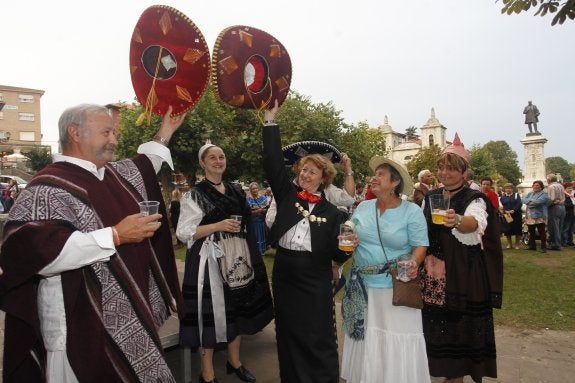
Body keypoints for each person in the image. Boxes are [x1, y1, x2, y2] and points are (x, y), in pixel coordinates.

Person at [0, 104, 186, 382]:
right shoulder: (47, 188)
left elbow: (145, 164)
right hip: (78, 325)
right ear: (75, 133)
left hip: (128, 322)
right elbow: (43, 255)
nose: (114, 139)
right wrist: (116, 235)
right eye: (106, 132)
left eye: (114, 132)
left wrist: (165, 131)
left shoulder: (113, 175)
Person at [262, 100, 350, 382]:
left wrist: (349, 246)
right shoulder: (287, 195)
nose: (304, 174)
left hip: (315, 277)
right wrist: (270, 122)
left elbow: (338, 253)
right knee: (288, 334)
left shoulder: (333, 213)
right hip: (286, 272)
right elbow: (273, 161)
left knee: (317, 335)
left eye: (312, 171)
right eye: (302, 170)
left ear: (324, 177)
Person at [176, 142, 273, 383]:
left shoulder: (236, 190)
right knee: (210, 314)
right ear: (203, 163)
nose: (218, 161)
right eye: (212, 158)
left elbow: (247, 225)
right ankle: (207, 373)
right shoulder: (194, 194)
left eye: (221, 156)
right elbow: (184, 232)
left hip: (238, 256)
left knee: (236, 310)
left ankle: (234, 362)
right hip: (208, 261)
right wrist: (218, 226)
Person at [421, 133, 503, 383]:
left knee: (459, 325)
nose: (445, 173)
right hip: (434, 269)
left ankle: (455, 377)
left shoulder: (474, 198)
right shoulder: (431, 196)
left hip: (463, 272)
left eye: (452, 169)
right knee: (436, 324)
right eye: (442, 168)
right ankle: (444, 371)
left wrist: (456, 220)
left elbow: (474, 223)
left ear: (465, 172)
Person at [340, 156, 430, 383]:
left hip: (395, 287)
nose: (374, 178)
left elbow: (420, 246)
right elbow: (350, 233)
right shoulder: (363, 207)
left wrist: (414, 263)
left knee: (396, 338)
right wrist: (349, 240)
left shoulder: (411, 211)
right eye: (375, 174)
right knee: (366, 337)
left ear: (395, 182)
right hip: (362, 287)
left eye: (381, 174)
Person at [522, 180, 549, 253]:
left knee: (542, 232)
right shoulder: (530, 193)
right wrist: (531, 201)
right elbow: (523, 200)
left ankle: (543, 247)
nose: (536, 186)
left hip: (539, 215)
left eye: (538, 185)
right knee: (531, 231)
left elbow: (538, 202)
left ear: (541, 187)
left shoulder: (544, 194)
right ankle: (532, 246)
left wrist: (529, 202)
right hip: (530, 215)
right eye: (534, 185)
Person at [246, 182, 269, 255]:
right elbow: (247, 212)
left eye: (256, 188)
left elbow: (268, 209)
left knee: (262, 235)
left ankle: (262, 250)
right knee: (255, 237)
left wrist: (263, 210)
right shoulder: (248, 200)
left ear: (258, 189)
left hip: (261, 221)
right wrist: (257, 211)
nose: (255, 190)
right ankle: (255, 251)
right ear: (250, 190)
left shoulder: (263, 198)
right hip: (252, 222)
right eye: (253, 189)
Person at [499, 183, 523, 249]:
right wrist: (505, 211)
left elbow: (519, 203)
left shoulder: (516, 195)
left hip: (516, 215)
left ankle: (517, 244)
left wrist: (513, 210)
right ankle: (509, 244)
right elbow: (501, 205)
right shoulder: (503, 196)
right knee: (507, 230)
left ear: (512, 188)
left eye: (509, 188)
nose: (508, 189)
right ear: (505, 189)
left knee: (517, 230)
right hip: (507, 215)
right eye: (507, 188)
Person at [546, 173, 565, 251]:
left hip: (554, 207)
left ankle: (555, 244)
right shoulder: (561, 186)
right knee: (560, 226)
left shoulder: (551, 187)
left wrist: (546, 205)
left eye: (547, 178)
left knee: (554, 226)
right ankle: (559, 242)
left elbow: (552, 198)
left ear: (549, 179)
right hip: (562, 206)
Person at [562, 182, 575, 246]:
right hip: (567, 214)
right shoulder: (564, 196)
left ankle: (570, 241)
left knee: (571, 228)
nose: (570, 189)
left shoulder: (572, 196)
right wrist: (572, 204)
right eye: (568, 188)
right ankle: (564, 241)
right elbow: (564, 205)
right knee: (566, 228)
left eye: (571, 188)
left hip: (572, 214)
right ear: (565, 189)